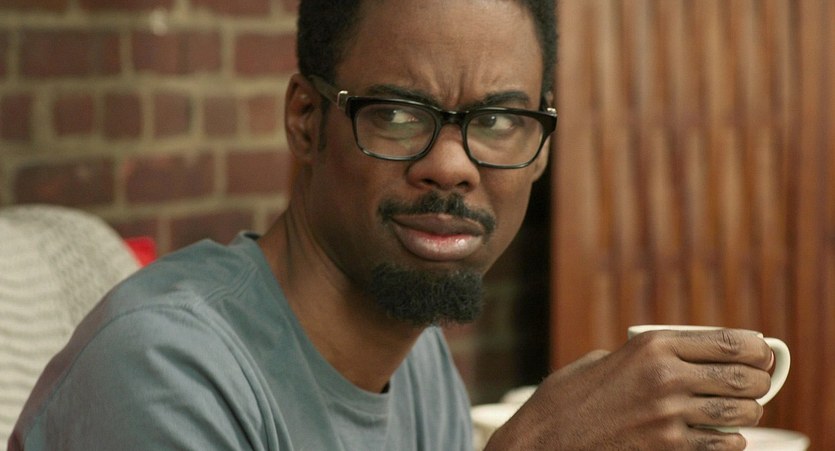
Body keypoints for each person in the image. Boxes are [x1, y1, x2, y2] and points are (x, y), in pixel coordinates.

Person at [10, 0, 775, 449]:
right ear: (305, 121)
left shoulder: (417, 363)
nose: (451, 166)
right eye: (401, 114)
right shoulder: (163, 368)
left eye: (497, 120)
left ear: (540, 148)